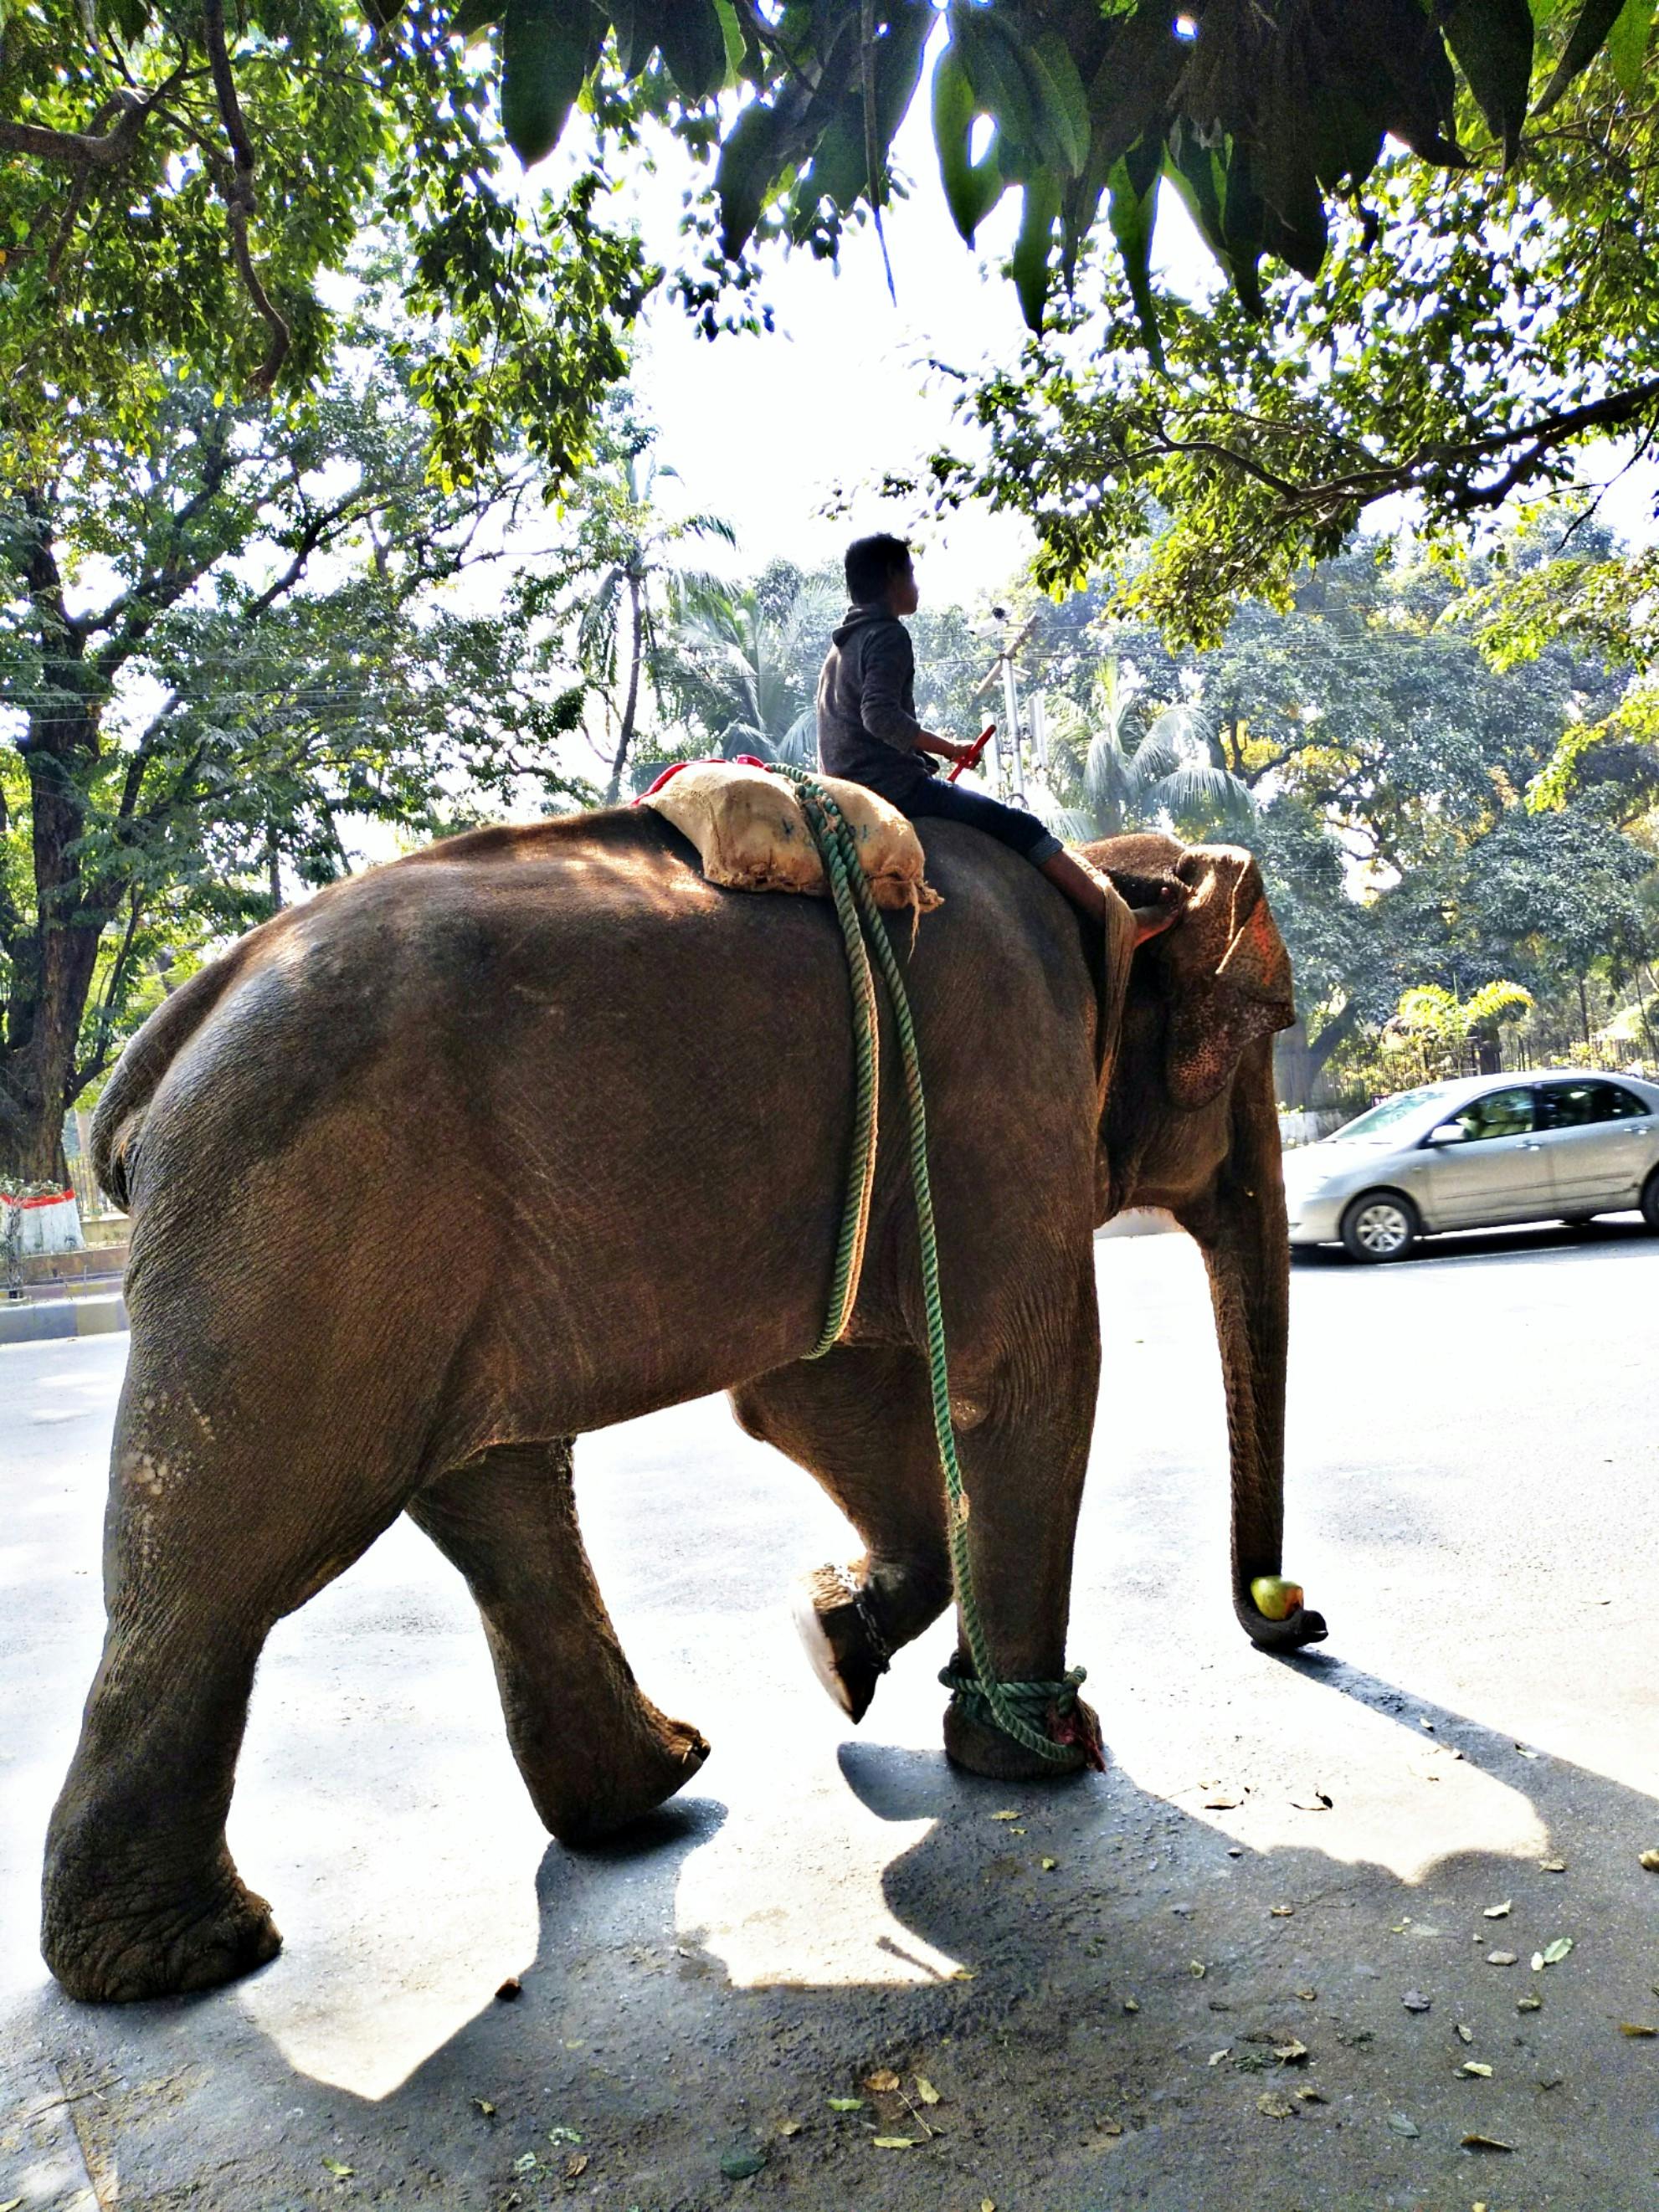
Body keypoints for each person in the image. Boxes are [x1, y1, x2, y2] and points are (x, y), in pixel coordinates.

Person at [816, 534, 1177, 943]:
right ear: (892, 576)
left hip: (847, 791)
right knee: (1021, 825)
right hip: (894, 789)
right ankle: (1119, 925)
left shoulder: (839, 650)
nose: (916, 585)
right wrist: (950, 749)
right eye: (911, 573)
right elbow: (879, 717)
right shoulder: (887, 634)